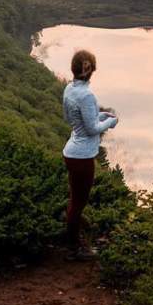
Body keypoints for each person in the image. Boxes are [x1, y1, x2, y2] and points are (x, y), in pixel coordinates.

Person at [62, 48, 118, 259]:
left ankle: (74, 238)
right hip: (82, 157)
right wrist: (110, 122)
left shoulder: (69, 89)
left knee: (74, 199)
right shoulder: (87, 95)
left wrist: (100, 114)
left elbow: (71, 118)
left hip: (71, 151)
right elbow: (94, 128)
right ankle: (75, 249)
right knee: (78, 203)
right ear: (91, 70)